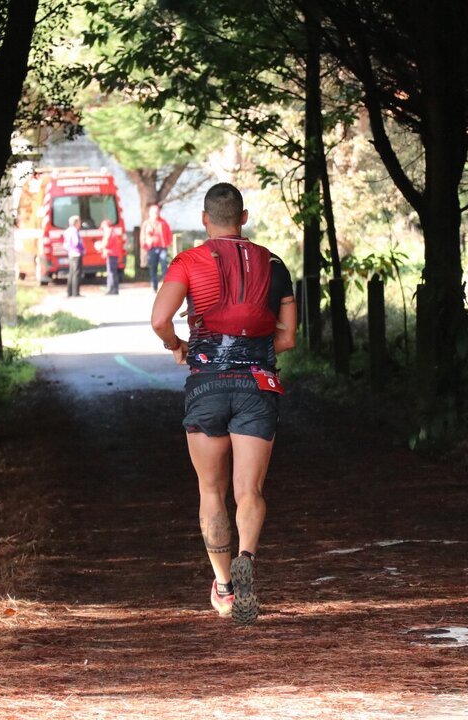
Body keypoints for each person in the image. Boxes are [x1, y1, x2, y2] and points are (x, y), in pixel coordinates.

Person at [150, 183, 296, 625]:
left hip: (207, 386)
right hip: (257, 384)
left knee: (210, 491)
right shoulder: (274, 265)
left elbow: (160, 319)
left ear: (204, 219)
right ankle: (246, 557)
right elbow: (288, 338)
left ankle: (225, 588)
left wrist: (177, 345)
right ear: (243, 217)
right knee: (249, 491)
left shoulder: (188, 261)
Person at [141, 203, 173, 292]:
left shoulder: (163, 222)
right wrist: (144, 245)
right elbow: (143, 235)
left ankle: (166, 285)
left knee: (164, 265)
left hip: (162, 247)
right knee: (153, 267)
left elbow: (169, 233)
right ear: (150, 213)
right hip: (151, 248)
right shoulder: (146, 223)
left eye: (157, 212)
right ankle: (154, 286)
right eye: (154, 212)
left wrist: (169, 242)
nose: (156, 214)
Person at [97, 218, 125, 295]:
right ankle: (115, 289)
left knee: (111, 272)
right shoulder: (113, 231)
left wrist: (100, 246)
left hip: (111, 254)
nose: (102, 230)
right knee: (113, 272)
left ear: (106, 226)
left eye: (103, 228)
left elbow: (106, 243)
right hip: (113, 254)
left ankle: (111, 289)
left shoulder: (109, 232)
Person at [62, 214, 84, 297]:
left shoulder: (67, 231)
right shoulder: (74, 231)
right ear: (76, 223)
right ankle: (76, 292)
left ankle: (69, 292)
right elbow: (76, 242)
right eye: (79, 222)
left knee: (71, 273)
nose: (80, 223)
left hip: (70, 253)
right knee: (76, 273)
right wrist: (82, 248)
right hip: (76, 253)